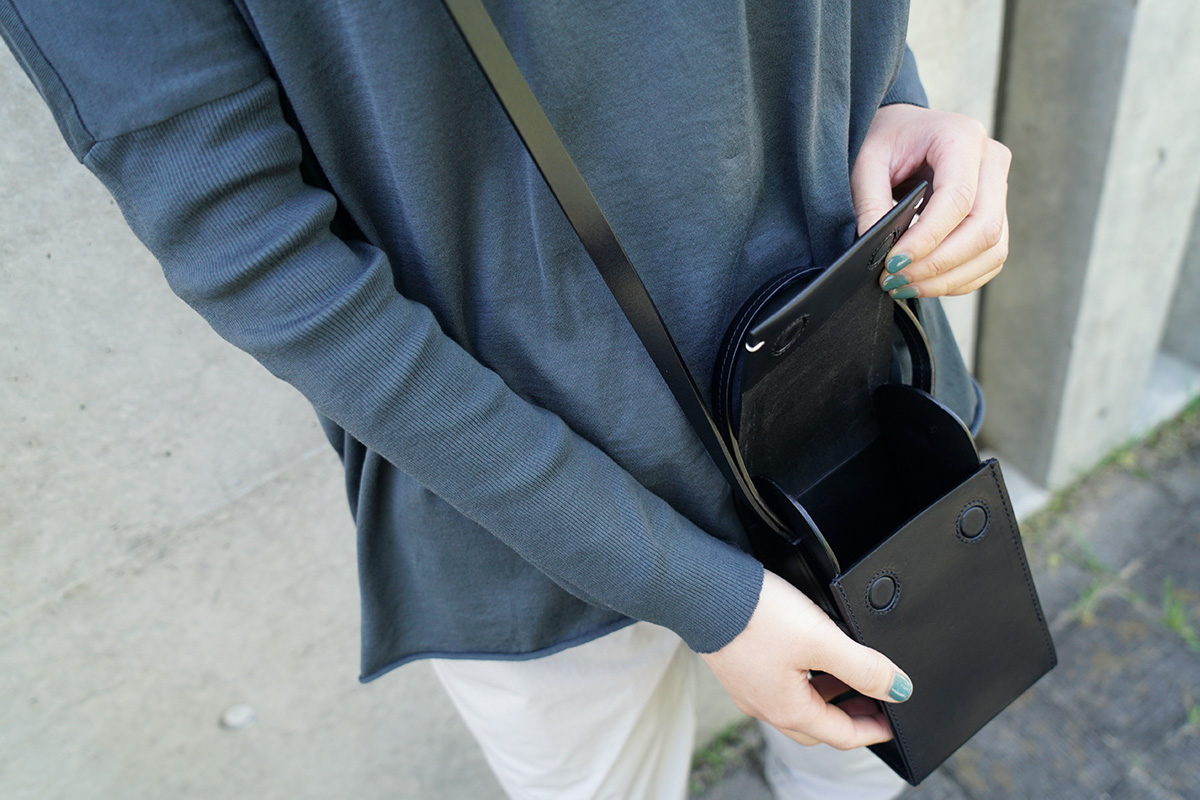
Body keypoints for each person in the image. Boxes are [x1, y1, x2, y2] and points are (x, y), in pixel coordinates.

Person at [0, 1, 1010, 797]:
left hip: (853, 376)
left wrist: (895, 104)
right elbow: (261, 255)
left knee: (868, 753)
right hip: (529, 509)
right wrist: (698, 593)